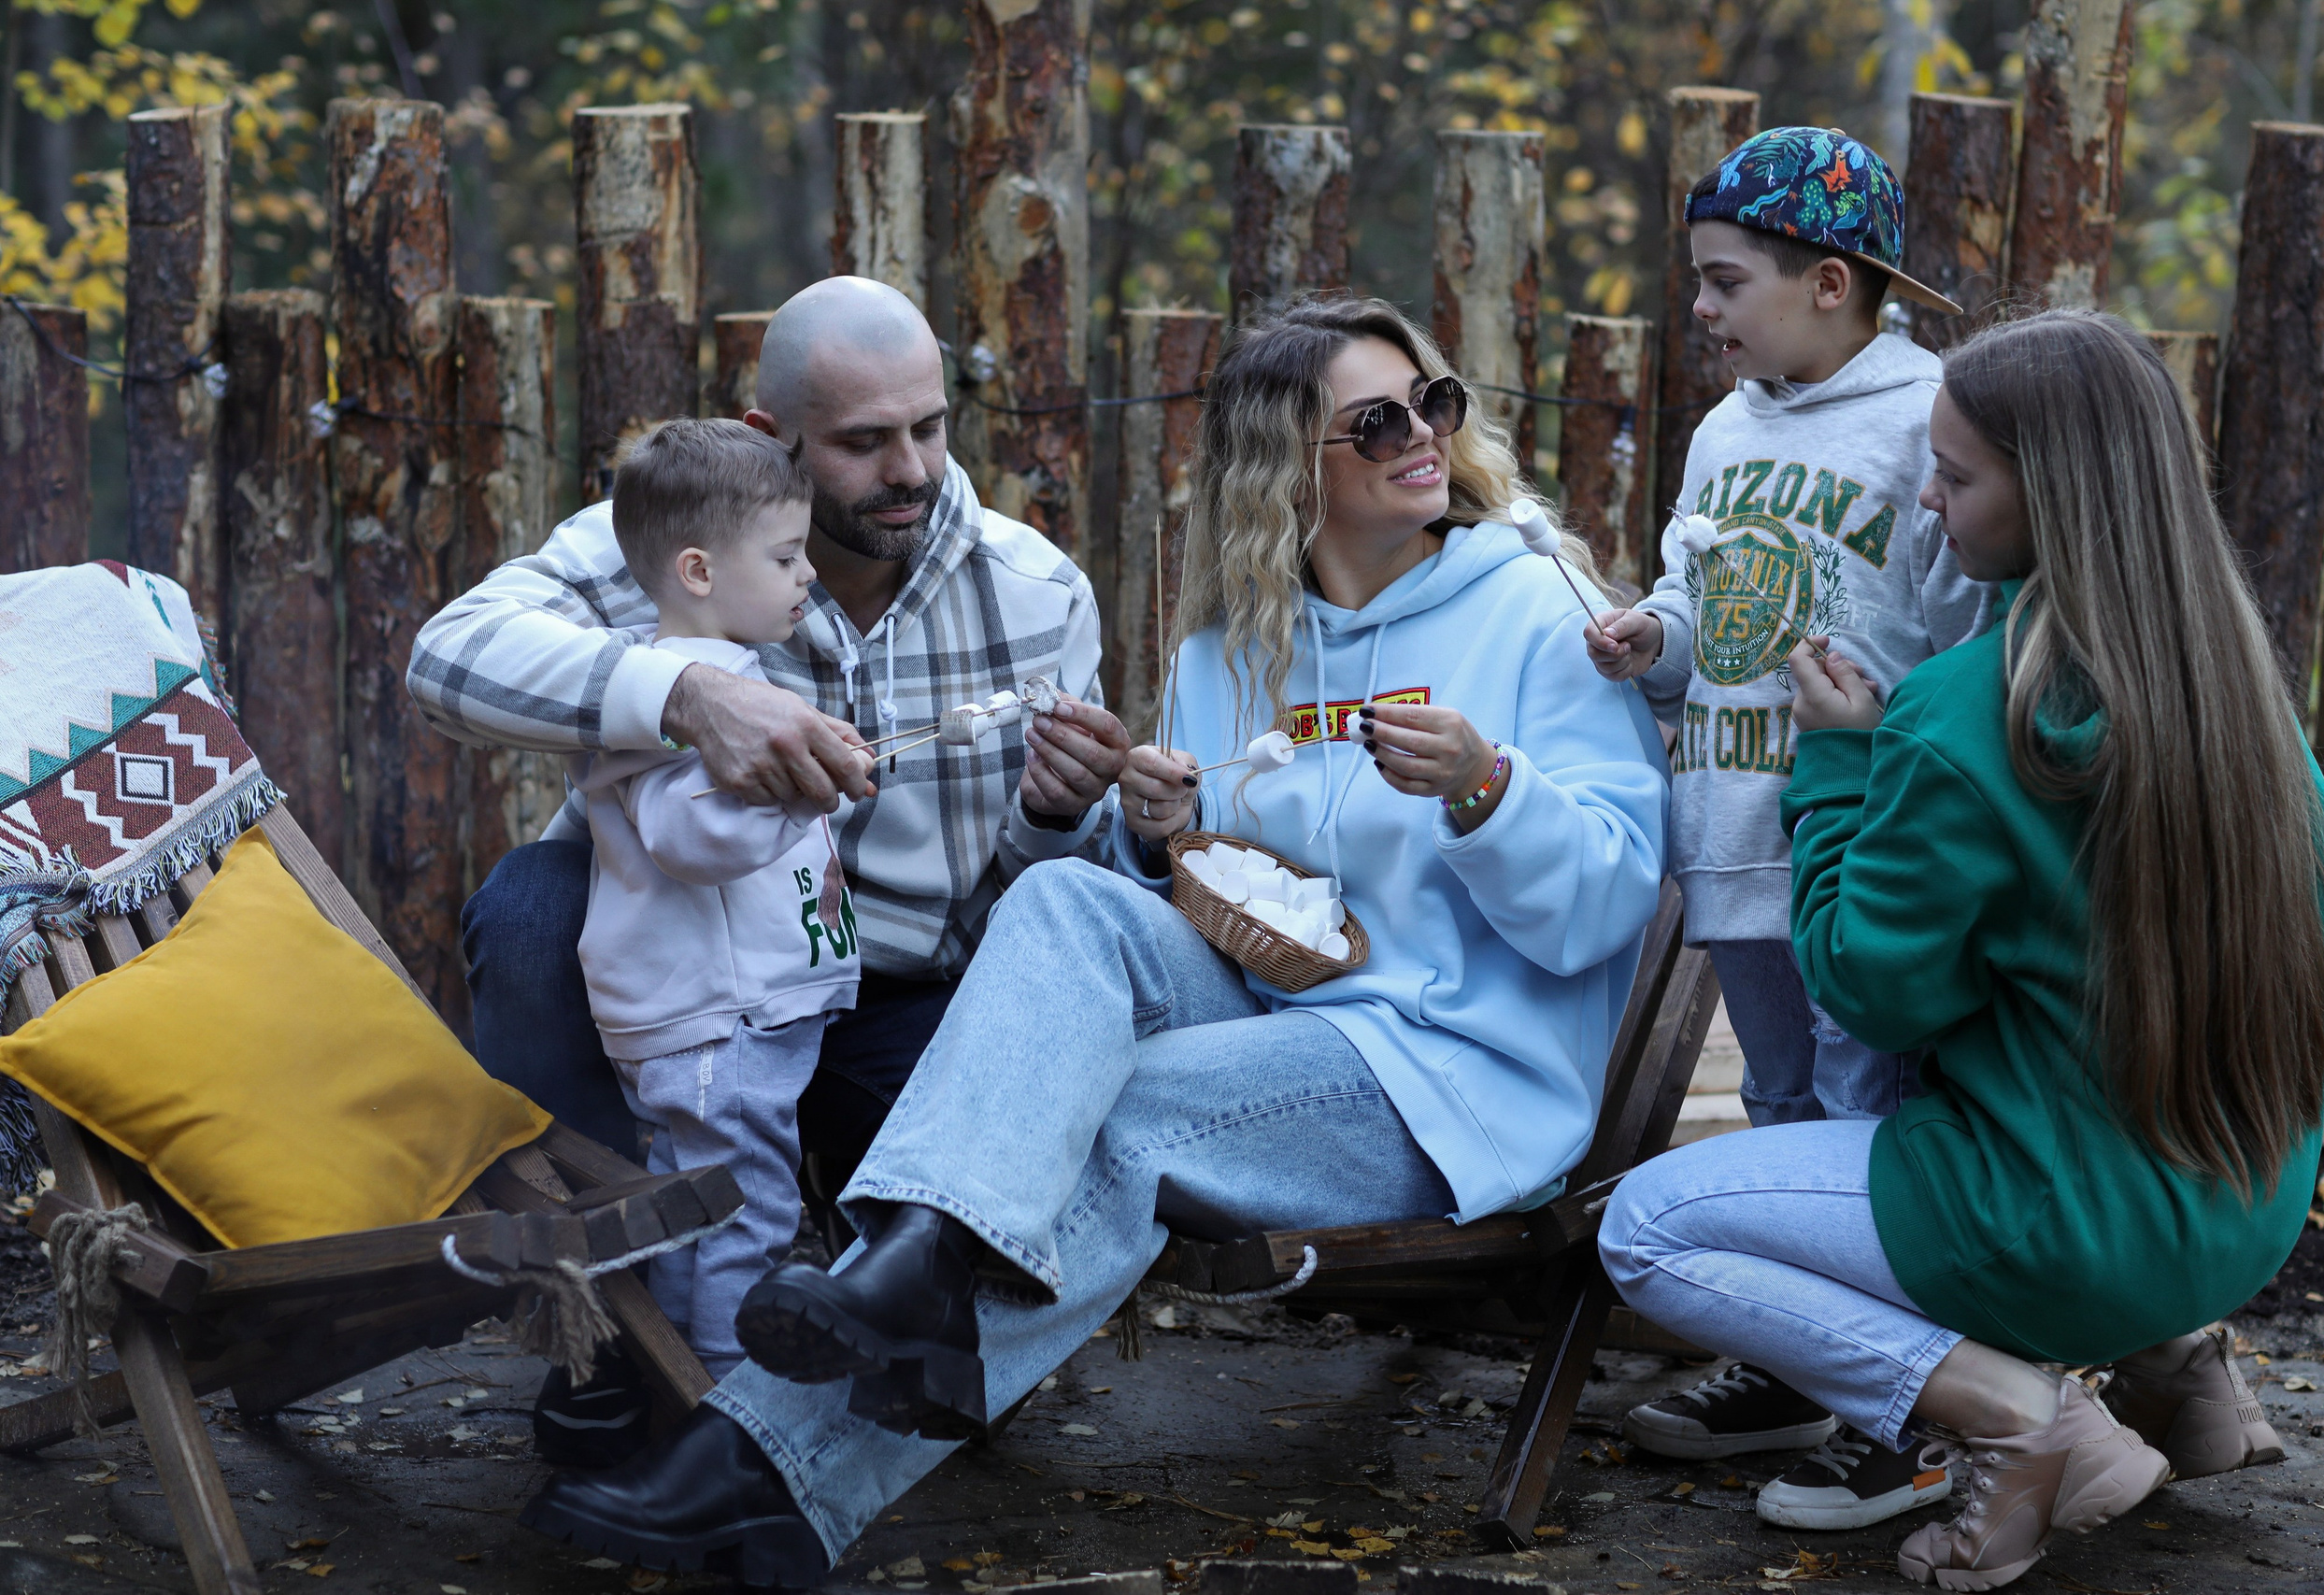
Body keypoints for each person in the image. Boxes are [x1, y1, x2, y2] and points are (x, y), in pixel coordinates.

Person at [513, 294, 1671, 1586]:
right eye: (1378, 419)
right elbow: (1226, 897)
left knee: (1112, 1126)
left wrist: (1485, 790)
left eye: (1434, 403)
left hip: (1448, 1070)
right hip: (1273, 1018)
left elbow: (1606, 907)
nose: (1424, 436)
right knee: (1064, 897)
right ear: (1288, 465)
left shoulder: (1536, 609)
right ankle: (909, 1270)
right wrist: (1155, 825)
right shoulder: (1235, 642)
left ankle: (768, 1463)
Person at [1601, 308, 2324, 1589]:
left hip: (2060, 1226)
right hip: (2241, 1206)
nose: (1930, 505)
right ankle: (2183, 1376)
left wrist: (1834, 763)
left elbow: (1870, 991)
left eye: (1954, 473)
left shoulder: (1960, 714)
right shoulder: (2252, 712)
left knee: (1648, 1226)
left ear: (2049, 489)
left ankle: (2010, 1408)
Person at [406, 277, 1132, 1456]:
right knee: (532, 905)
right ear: (769, 438)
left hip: (898, 994)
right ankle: (609, 1324)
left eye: (929, 427)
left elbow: (1049, 898)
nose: (911, 470)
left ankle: (863, 1293)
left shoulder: (1037, 592)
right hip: (679, 980)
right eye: (860, 443)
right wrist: (687, 692)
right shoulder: (668, 543)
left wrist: (1061, 816)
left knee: (944, 1396)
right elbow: (447, 661)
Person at [1583, 125, 1990, 1521]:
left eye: (1721, 280)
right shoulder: (1724, 425)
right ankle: (1803, 1365)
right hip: (1733, 828)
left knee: (1869, 1124)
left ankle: (1918, 1414)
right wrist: (1656, 638)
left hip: (1862, 849)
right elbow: (1713, 612)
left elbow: (1961, 629)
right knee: (1779, 1113)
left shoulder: (1927, 415)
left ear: (1830, 280)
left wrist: (1891, 732)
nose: (1698, 309)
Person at [573, 420, 865, 1377]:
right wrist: (808, 796)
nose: (806, 577)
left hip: (738, 1012)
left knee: (698, 1202)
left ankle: (674, 1386)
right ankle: (728, 1405)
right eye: (785, 557)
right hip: (717, 1021)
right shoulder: (670, 699)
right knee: (744, 1208)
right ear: (697, 570)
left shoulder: (737, 679)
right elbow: (691, 840)